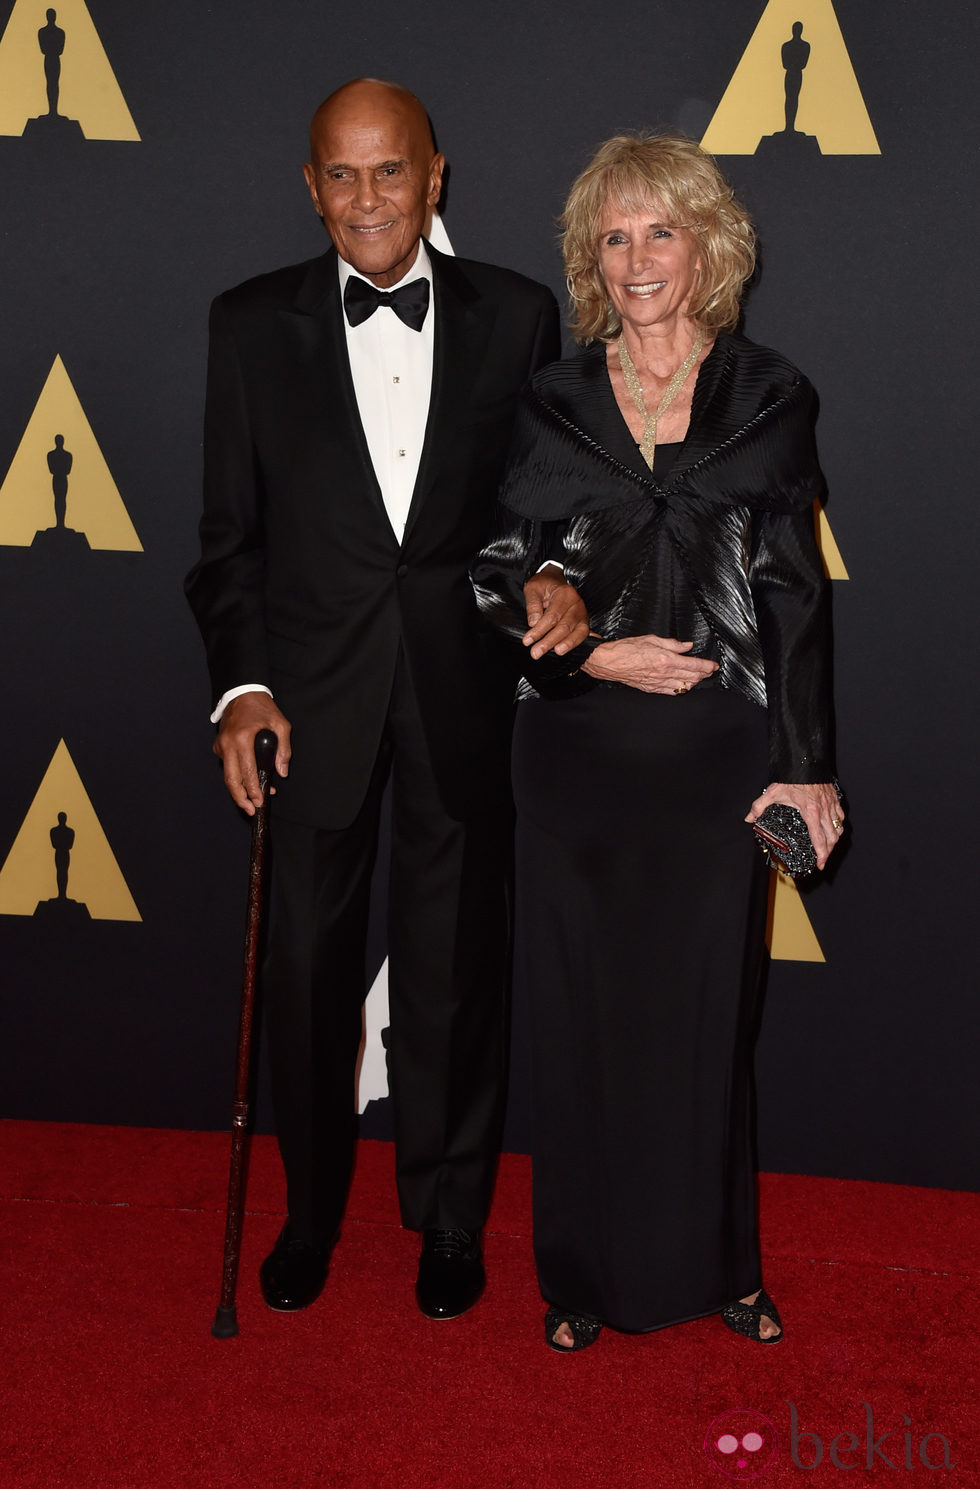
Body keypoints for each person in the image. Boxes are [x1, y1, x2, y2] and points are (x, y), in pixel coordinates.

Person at [185, 79, 582, 1322]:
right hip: (308, 703)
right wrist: (241, 687)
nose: (367, 198)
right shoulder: (248, 325)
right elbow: (228, 542)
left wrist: (560, 571)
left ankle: (450, 1216)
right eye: (340, 175)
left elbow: (542, 501)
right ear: (311, 187)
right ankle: (310, 1212)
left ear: (435, 175)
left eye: (390, 171)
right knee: (304, 972)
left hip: (462, 689)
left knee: (457, 965)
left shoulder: (519, 315)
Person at [472, 133, 844, 1351]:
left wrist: (805, 760)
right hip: (574, 759)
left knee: (702, 1020)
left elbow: (793, 594)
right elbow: (497, 571)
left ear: (706, 248)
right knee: (578, 1016)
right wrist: (583, 644)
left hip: (714, 764)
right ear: (591, 259)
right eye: (613, 237)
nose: (635, 258)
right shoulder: (550, 400)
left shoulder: (770, 396)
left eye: (659, 231)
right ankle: (577, 1278)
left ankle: (721, 1269)